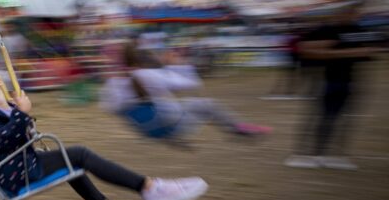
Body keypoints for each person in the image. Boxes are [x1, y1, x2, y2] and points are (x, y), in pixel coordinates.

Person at [0, 73, 209, 200]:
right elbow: (3, 140)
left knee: (70, 162)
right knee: (78, 155)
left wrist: (20, 111)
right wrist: (22, 113)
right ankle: (150, 189)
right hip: (17, 174)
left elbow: (19, 134)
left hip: (21, 166)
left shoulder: (7, 107)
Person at [285, 2, 383, 169]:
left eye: (355, 12)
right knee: (320, 118)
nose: (353, 15)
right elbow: (305, 49)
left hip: (350, 80)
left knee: (345, 119)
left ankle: (334, 155)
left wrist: (366, 51)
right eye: (349, 12)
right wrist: (346, 52)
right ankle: (304, 154)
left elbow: (370, 49)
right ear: (338, 14)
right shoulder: (326, 30)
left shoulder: (358, 31)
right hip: (326, 80)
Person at [101, 43, 271, 138]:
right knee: (206, 104)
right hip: (171, 126)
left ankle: (235, 128)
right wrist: (177, 64)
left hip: (146, 130)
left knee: (177, 104)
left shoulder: (113, 84)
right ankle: (237, 128)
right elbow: (193, 84)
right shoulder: (150, 75)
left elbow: (111, 108)